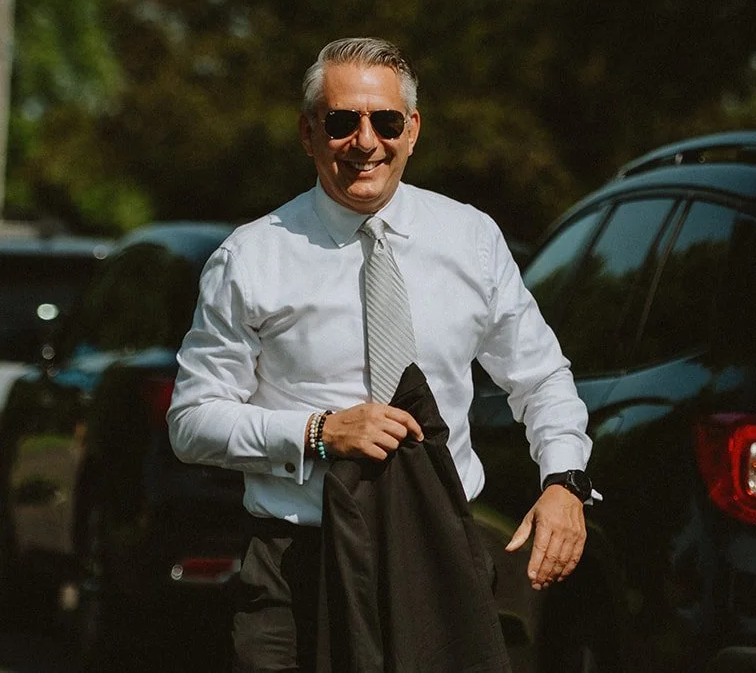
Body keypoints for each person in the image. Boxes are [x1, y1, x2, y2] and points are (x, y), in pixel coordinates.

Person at [168, 37, 594, 672]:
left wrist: (565, 481)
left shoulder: (472, 239)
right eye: (342, 122)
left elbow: (541, 378)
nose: (365, 142)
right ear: (307, 131)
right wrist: (318, 432)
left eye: (385, 121)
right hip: (298, 567)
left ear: (412, 130)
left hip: (440, 554)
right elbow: (191, 422)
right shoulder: (251, 258)